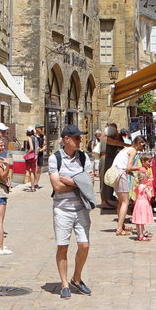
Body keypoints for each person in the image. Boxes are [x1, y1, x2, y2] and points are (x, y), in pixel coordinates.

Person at [49, 124, 95, 300]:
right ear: (66, 139)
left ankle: (77, 278)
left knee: (84, 245)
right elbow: (57, 186)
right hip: (62, 209)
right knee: (63, 246)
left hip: (81, 208)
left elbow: (90, 182)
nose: (80, 140)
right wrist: (80, 181)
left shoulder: (83, 158)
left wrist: (70, 180)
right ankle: (64, 284)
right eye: (77, 138)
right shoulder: (55, 159)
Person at [109, 134, 144, 236]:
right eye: (143, 145)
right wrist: (139, 169)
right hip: (120, 174)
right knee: (125, 202)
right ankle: (119, 229)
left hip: (115, 173)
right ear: (137, 143)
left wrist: (133, 175)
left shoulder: (125, 149)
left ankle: (121, 225)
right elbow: (128, 167)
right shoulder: (133, 150)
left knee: (120, 201)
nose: (143, 148)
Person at [99, 122, 126, 209]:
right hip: (105, 158)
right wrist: (127, 145)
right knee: (104, 180)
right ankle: (104, 201)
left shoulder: (113, 136)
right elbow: (115, 143)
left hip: (111, 159)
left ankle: (109, 199)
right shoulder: (106, 137)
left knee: (111, 179)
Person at [131, 162, 155, 241]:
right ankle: (141, 235)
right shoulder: (145, 187)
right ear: (144, 179)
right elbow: (149, 196)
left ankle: (139, 234)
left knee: (138, 221)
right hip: (144, 204)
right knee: (142, 220)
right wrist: (150, 190)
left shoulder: (137, 187)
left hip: (138, 204)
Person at [23, 127, 41, 191]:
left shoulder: (29, 138)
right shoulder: (36, 138)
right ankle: (34, 185)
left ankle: (32, 187)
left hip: (31, 156)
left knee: (31, 172)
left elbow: (31, 148)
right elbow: (38, 148)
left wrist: (26, 154)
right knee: (33, 171)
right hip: (35, 156)